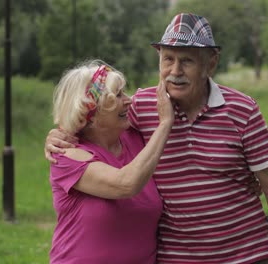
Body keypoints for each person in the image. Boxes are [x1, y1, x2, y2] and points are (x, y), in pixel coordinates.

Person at [45, 13, 268, 264]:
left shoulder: (243, 110)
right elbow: (96, 118)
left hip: (246, 256)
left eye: (187, 61)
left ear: (211, 63)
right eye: (168, 59)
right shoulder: (141, 108)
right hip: (177, 259)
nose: (175, 71)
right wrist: (59, 135)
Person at [48, 60, 174, 263]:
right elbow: (125, 184)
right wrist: (165, 123)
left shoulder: (136, 139)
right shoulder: (67, 155)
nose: (129, 100)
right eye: (117, 96)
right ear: (91, 111)